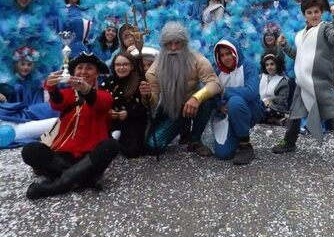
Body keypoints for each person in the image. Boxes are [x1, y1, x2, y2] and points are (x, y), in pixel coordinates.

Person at [272, 0, 334, 176]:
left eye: (316, 11)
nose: (314, 15)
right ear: (304, 15)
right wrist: (284, 46)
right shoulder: (300, 35)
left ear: (321, 12)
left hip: (321, 83)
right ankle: (289, 142)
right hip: (302, 82)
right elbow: (299, 57)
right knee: (294, 115)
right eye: (309, 12)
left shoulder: (326, 28)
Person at [21, 52, 119, 199]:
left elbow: (100, 103)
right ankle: (87, 179)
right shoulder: (67, 93)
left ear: (96, 73)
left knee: (111, 145)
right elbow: (57, 103)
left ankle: (56, 185)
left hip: (90, 156)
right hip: (63, 154)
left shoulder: (104, 95)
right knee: (30, 150)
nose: (83, 71)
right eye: (80, 67)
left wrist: (86, 89)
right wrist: (52, 87)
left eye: (89, 68)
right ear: (73, 72)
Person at [144, 22, 221, 156]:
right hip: (170, 110)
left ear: (184, 43)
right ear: (163, 45)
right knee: (152, 146)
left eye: (177, 43)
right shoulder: (153, 70)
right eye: (169, 44)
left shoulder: (198, 60)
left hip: (194, 105)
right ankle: (181, 127)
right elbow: (153, 103)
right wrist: (148, 96)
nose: (173, 48)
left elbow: (215, 83)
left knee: (209, 100)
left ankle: (195, 140)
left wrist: (197, 98)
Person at [212, 38, 265, 164]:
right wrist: (219, 105)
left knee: (235, 102)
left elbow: (251, 92)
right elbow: (212, 94)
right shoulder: (217, 70)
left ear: (235, 52)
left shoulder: (248, 65)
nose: (226, 58)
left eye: (228, 53)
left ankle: (245, 145)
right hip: (226, 115)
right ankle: (236, 135)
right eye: (222, 55)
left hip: (250, 110)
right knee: (223, 154)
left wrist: (226, 92)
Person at [102, 52, 147, 158]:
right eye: (118, 65)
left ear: (132, 66)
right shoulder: (108, 82)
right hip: (111, 119)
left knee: (131, 152)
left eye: (125, 64)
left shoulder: (139, 82)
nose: (121, 68)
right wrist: (108, 111)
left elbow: (145, 108)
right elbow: (100, 102)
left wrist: (128, 113)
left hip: (132, 120)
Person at [259, 54, 289, 125]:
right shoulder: (260, 77)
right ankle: (275, 120)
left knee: (265, 111)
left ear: (277, 65)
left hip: (276, 108)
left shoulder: (282, 81)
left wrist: (269, 102)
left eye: (272, 64)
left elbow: (281, 101)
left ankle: (275, 119)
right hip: (260, 105)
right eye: (267, 65)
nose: (269, 67)